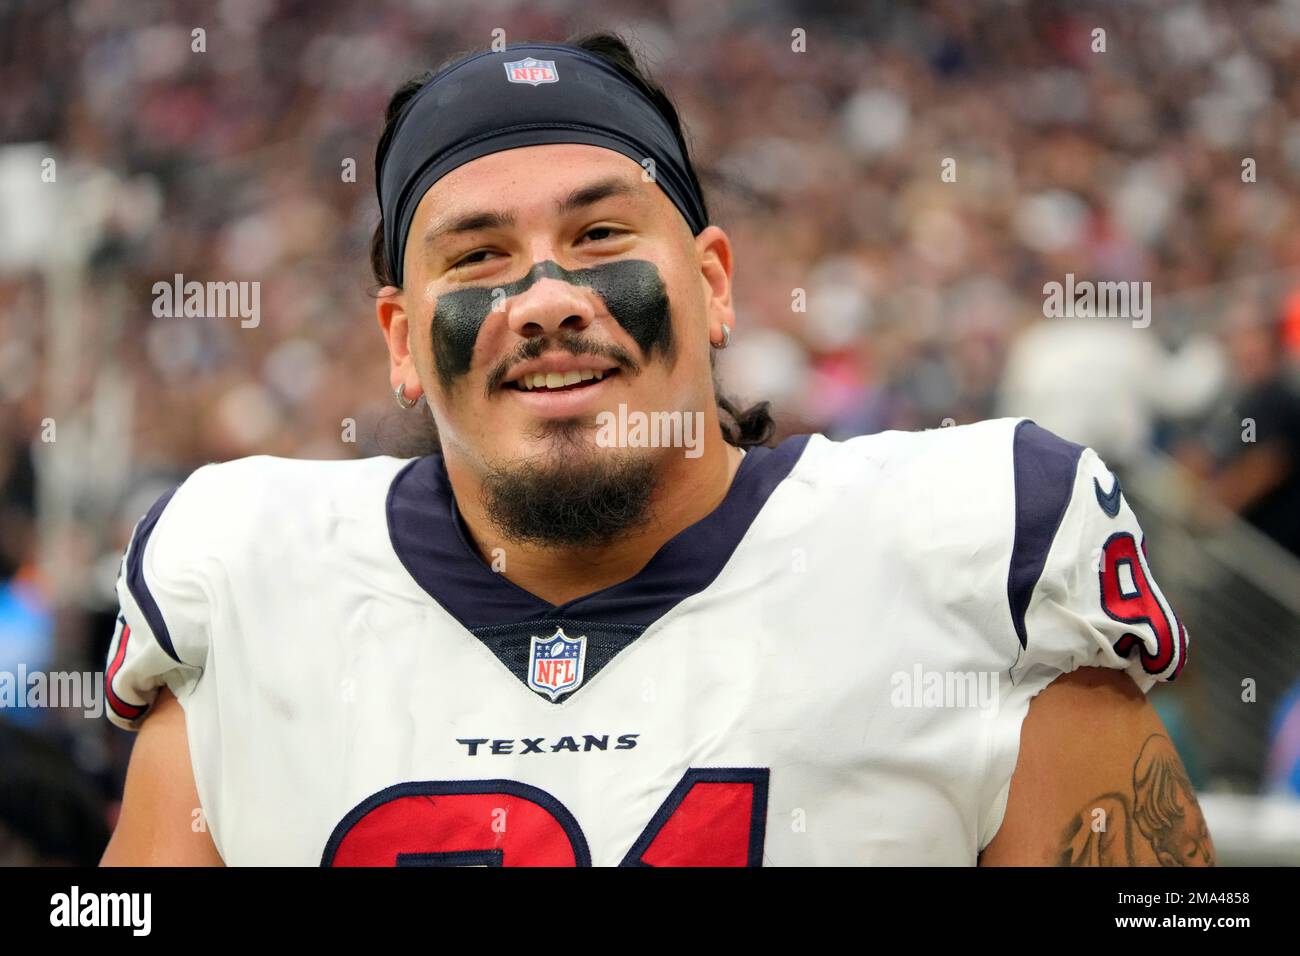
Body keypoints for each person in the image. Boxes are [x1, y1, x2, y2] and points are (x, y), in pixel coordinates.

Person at [99, 34, 1211, 866]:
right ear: (400, 340)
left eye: (598, 235)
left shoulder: (970, 548)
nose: (542, 299)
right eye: (478, 256)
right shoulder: (247, 577)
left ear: (713, 283)